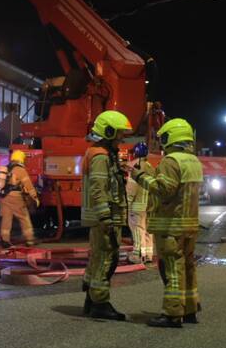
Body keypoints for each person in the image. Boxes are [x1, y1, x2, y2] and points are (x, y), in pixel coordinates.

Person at [132, 117, 203, 328]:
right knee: (188, 268)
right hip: (189, 225)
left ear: (172, 137)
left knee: (172, 269)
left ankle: (172, 314)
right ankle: (190, 309)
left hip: (171, 226)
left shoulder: (171, 161)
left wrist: (140, 176)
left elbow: (165, 190)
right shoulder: (193, 161)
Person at [81, 110, 132, 321]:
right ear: (108, 132)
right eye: (119, 134)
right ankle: (100, 302)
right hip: (105, 217)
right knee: (106, 258)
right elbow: (98, 188)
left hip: (104, 216)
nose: (121, 138)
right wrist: (106, 218)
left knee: (99, 257)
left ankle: (92, 300)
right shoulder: (100, 156)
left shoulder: (100, 153)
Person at [0, 150, 39, 248]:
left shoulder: (6, 168)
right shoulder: (20, 170)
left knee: (6, 218)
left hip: (4, 197)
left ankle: (5, 240)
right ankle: (30, 240)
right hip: (15, 197)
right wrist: (35, 197)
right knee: (24, 217)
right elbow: (28, 185)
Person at [126, 142, 154, 263]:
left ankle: (138, 255)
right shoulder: (150, 167)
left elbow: (132, 188)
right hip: (149, 205)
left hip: (137, 206)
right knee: (147, 230)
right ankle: (148, 254)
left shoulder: (135, 167)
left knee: (138, 229)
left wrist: (126, 203)